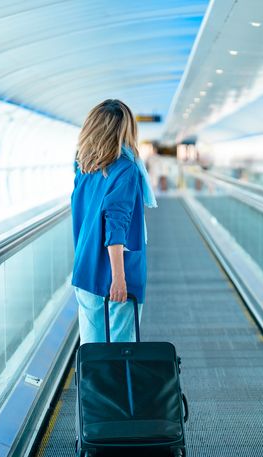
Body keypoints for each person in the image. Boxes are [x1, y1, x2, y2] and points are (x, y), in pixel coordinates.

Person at [71, 99, 156, 343]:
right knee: (121, 352)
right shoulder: (126, 169)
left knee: (92, 352)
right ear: (125, 130)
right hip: (118, 270)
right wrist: (119, 277)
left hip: (86, 268)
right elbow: (116, 225)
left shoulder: (83, 169)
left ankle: (93, 384)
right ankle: (118, 384)